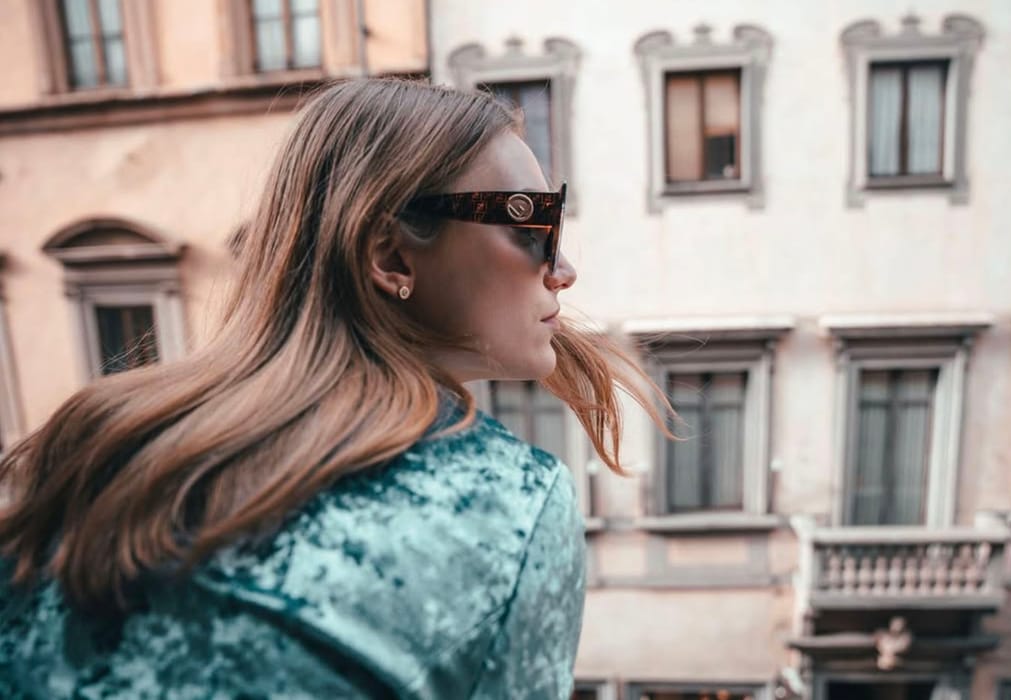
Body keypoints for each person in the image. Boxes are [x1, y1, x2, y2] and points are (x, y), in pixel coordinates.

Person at [0, 78, 667, 698]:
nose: (563, 268)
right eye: (530, 223)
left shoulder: (104, 439)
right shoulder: (510, 501)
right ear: (390, 256)